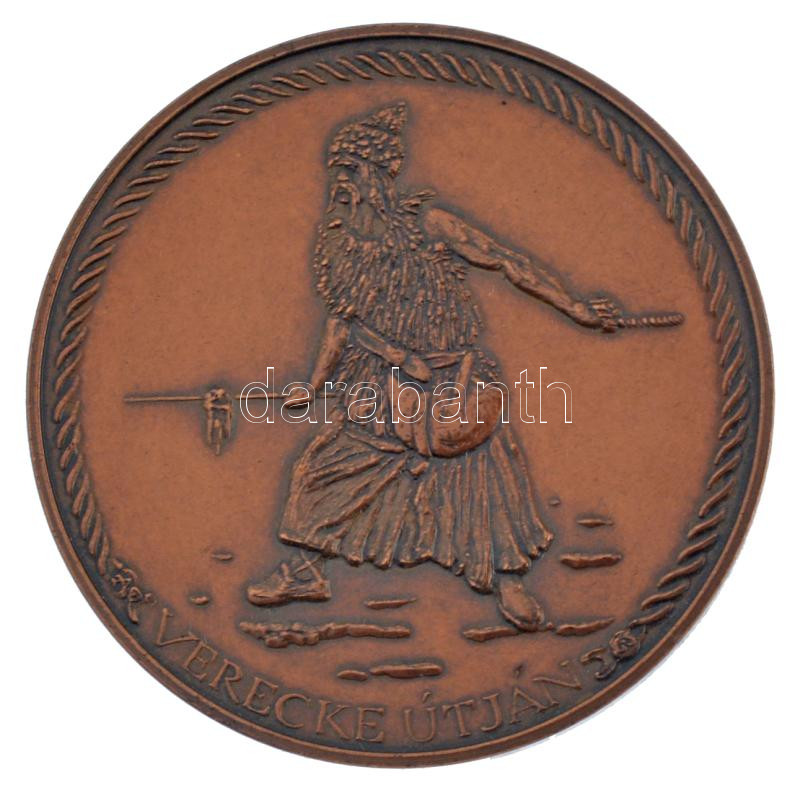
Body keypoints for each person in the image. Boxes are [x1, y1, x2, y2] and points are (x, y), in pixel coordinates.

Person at [246, 102, 621, 631]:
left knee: (484, 479)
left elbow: (508, 262)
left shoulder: (429, 224)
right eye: (337, 171)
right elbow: (340, 322)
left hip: (456, 380)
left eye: (352, 169)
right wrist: (312, 385)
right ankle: (307, 572)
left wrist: (576, 308)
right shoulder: (338, 242)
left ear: (378, 174)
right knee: (326, 467)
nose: (341, 182)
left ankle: (509, 581)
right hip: (380, 382)